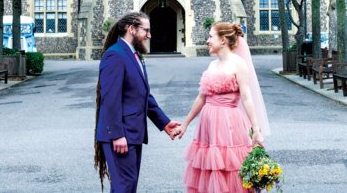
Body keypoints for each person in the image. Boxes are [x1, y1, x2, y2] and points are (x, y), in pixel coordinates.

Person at [171, 22, 270, 193]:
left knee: (227, 168)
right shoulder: (212, 65)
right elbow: (201, 97)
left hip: (228, 123)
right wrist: (185, 124)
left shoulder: (239, 64)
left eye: (211, 37)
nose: (207, 41)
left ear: (223, 40)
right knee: (209, 168)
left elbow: (247, 98)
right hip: (207, 125)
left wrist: (256, 129)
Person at [94, 11, 181, 193]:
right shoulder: (115, 55)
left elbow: (143, 95)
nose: (149, 35)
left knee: (128, 186)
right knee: (124, 187)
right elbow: (110, 99)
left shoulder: (134, 55)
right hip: (120, 135)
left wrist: (164, 123)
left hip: (133, 133)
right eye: (146, 30)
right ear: (131, 29)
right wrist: (117, 135)